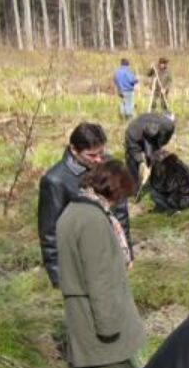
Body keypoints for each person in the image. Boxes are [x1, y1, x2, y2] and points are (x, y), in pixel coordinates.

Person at [56, 160, 144, 368]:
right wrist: (108, 327)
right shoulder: (93, 221)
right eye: (122, 194)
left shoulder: (73, 211)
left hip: (81, 315)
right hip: (99, 319)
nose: (120, 202)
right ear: (113, 189)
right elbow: (99, 279)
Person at [38, 123, 131, 289]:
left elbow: (120, 211)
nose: (99, 160)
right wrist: (58, 278)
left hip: (111, 254)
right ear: (74, 150)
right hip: (81, 261)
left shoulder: (109, 166)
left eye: (101, 152)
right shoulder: (55, 181)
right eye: (92, 155)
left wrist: (127, 251)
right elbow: (49, 233)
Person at [124, 112, 176, 186]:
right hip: (136, 138)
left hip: (154, 137)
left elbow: (167, 136)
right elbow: (134, 151)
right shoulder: (133, 132)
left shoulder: (166, 124)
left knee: (155, 157)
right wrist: (141, 161)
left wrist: (159, 146)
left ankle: (157, 180)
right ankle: (132, 183)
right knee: (132, 160)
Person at [144, 149, 189, 213]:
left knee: (153, 192)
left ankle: (172, 210)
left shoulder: (170, 168)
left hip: (185, 201)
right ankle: (161, 208)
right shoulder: (179, 163)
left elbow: (168, 187)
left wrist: (153, 183)